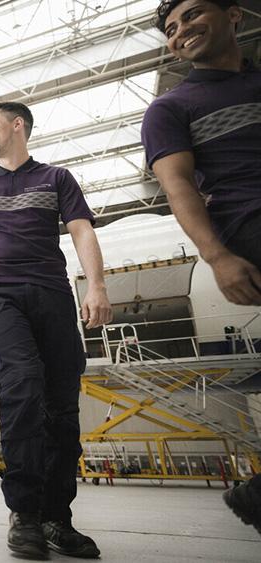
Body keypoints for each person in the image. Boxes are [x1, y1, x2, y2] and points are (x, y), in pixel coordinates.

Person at [0, 101, 112, 558]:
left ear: (17, 125)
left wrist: (96, 286)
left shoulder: (56, 178)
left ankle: (56, 518)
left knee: (62, 405)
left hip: (52, 293)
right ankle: (23, 512)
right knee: (22, 382)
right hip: (0, 294)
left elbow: (82, 231)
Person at [143, 0, 261, 536]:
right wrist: (217, 255)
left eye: (192, 16)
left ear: (234, 14)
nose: (181, 32)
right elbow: (178, 186)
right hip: (249, 225)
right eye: (171, 28)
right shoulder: (172, 107)